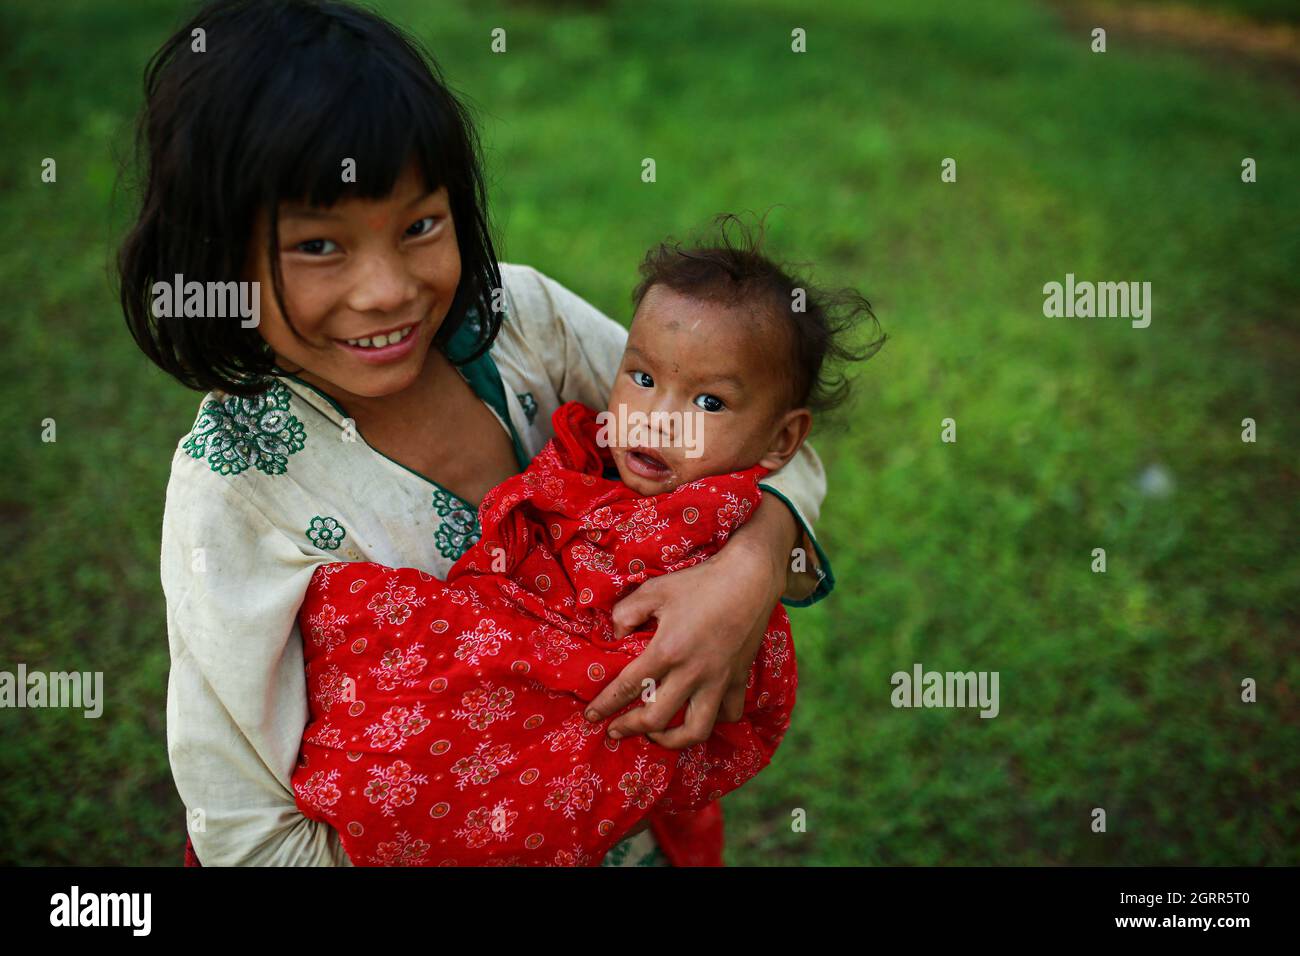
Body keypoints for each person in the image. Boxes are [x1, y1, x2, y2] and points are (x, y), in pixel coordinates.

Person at [119, 0, 838, 865]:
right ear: (216, 256)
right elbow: (246, 830)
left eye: (420, 226)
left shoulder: (518, 321)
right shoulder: (233, 489)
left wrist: (751, 569)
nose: (387, 290)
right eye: (318, 246)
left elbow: (762, 448)